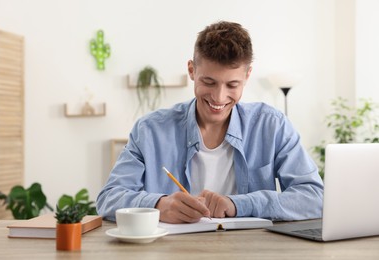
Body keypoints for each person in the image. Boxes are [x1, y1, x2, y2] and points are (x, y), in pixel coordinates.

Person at [96, 21, 324, 224]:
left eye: (232, 85)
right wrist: (159, 205)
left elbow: (314, 197)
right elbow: (110, 198)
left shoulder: (272, 126)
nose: (219, 97)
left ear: (247, 76)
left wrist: (239, 205)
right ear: (191, 70)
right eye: (209, 82)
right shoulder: (150, 130)